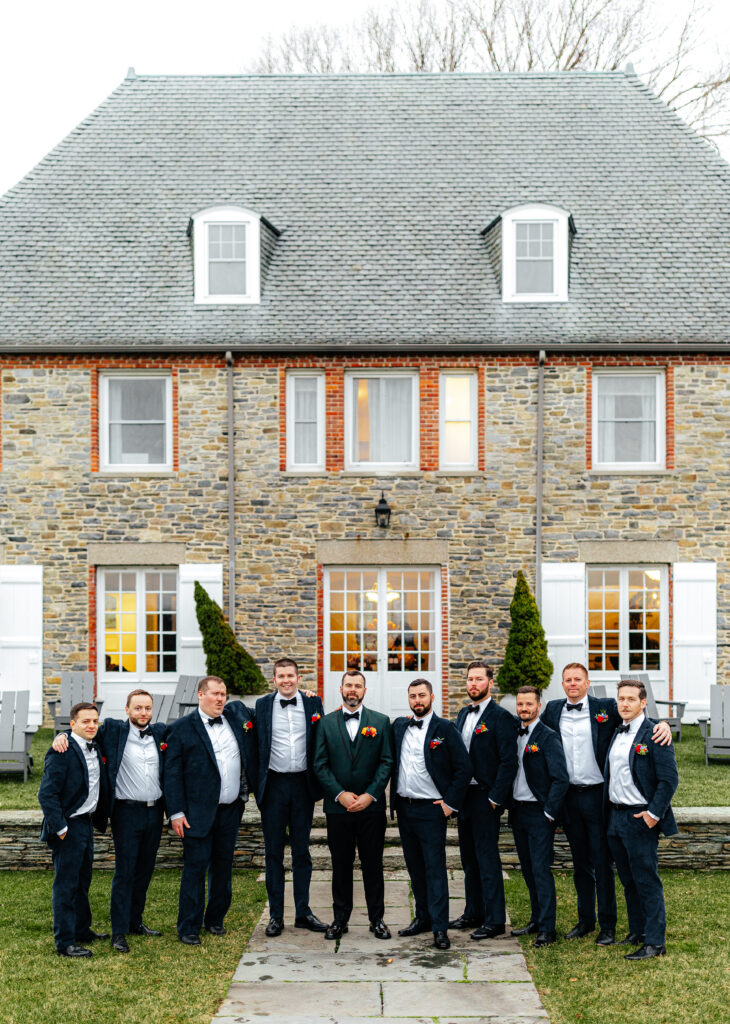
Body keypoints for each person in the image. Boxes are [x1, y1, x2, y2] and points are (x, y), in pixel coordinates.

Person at [541, 663, 672, 946]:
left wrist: (664, 725)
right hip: (570, 798)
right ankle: (585, 921)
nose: (573, 684)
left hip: (599, 797)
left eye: (578, 679)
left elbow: (640, 722)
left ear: (588, 683)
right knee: (580, 865)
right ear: (562, 684)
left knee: (603, 863)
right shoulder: (552, 710)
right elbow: (531, 731)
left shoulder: (607, 708)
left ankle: (608, 925)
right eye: (568, 680)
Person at [51, 688, 168, 952]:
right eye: (137, 708)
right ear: (126, 710)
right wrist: (61, 735)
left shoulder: (161, 732)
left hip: (155, 811)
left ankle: (135, 921)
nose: (143, 713)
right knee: (125, 872)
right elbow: (82, 732)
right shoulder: (112, 730)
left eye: (147, 708)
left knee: (145, 871)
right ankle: (118, 932)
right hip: (126, 812)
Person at [163, 675, 257, 945]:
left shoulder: (237, 717)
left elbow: (270, 709)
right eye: (214, 694)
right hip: (195, 813)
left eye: (223, 694)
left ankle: (215, 919)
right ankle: (188, 926)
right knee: (195, 868)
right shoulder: (181, 728)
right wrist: (176, 812)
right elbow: (172, 774)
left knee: (223, 867)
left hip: (230, 809)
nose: (220, 699)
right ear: (200, 695)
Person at [391, 678, 472, 950]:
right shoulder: (399, 726)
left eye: (422, 695)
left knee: (435, 870)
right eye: (413, 696)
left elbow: (463, 769)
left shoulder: (445, 729)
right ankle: (422, 918)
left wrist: (450, 803)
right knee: (415, 869)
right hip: (405, 808)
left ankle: (440, 928)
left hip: (432, 809)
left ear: (432, 697)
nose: (417, 701)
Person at [312, 669, 393, 940]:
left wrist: (370, 795)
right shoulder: (325, 723)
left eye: (358, 686)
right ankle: (339, 919)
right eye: (349, 685)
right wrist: (339, 794)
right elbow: (319, 764)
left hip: (371, 809)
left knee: (373, 864)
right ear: (341, 688)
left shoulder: (381, 722)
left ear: (365, 691)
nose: (353, 690)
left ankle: (377, 919)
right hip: (338, 809)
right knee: (341, 865)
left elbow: (386, 762)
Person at [604, 679, 678, 960]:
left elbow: (669, 780)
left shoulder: (654, 733)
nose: (624, 704)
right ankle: (638, 931)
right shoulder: (617, 729)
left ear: (643, 702)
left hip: (639, 817)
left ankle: (655, 942)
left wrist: (653, 815)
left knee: (646, 879)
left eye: (631, 699)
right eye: (621, 698)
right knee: (628, 879)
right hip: (614, 816)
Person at [254, 658, 327, 937]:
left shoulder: (313, 703)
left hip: (302, 786)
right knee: (273, 853)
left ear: (299, 678)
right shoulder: (262, 706)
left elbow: (322, 738)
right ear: (274, 679)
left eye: (290, 676)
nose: (286, 680)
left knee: (302, 852)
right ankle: (275, 916)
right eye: (281, 676)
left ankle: (303, 912)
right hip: (272, 786)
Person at [450, 660, 518, 939]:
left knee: (488, 860)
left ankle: (494, 920)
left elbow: (508, 761)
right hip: (464, 797)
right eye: (469, 679)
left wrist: (495, 799)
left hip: (485, 798)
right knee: (469, 860)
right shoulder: (463, 715)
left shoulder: (501, 718)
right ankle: (473, 912)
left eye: (479, 679)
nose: (473, 684)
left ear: (490, 683)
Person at [38, 702, 110, 957]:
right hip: (68, 826)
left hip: (87, 823)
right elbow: (47, 794)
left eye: (94, 721)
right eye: (85, 722)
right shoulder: (61, 750)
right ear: (73, 724)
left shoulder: (96, 743)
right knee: (66, 886)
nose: (91, 726)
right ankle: (65, 942)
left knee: (82, 882)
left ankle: (82, 930)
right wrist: (61, 828)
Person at [508, 685, 569, 948]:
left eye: (529, 705)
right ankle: (535, 919)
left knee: (541, 871)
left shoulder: (548, 736)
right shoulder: (513, 733)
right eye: (520, 705)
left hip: (538, 813)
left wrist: (548, 812)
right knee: (528, 870)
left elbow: (560, 778)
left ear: (539, 706)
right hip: (518, 811)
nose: (524, 709)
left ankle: (547, 928)